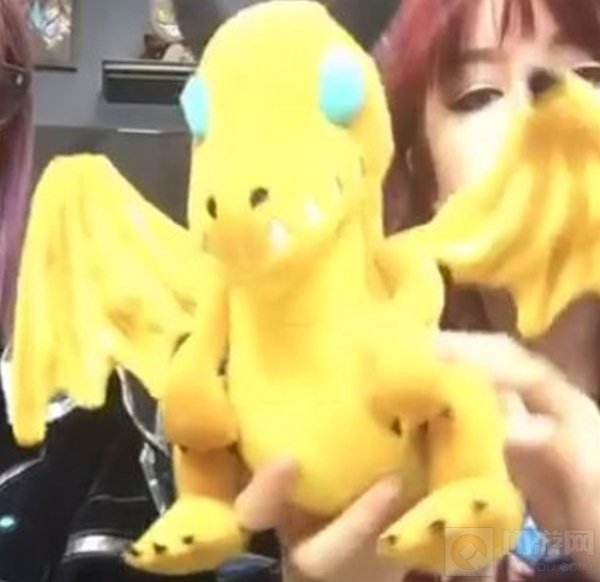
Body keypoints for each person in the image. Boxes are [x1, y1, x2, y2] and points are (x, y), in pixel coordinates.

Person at [232, 1, 600, 581]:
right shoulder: (375, 422)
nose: (538, 112)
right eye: (478, 95)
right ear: (427, 176)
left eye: (591, 74)